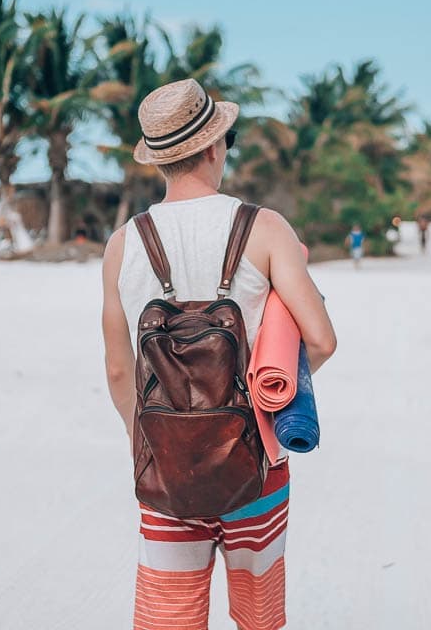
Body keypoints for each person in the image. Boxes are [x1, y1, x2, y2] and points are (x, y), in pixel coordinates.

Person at [101, 78, 337, 630]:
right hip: (255, 463)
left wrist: (155, 445)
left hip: (165, 466)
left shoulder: (123, 244)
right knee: (259, 616)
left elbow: (118, 370)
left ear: (161, 160)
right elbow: (321, 339)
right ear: (214, 146)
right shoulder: (265, 227)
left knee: (170, 617)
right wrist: (261, 405)